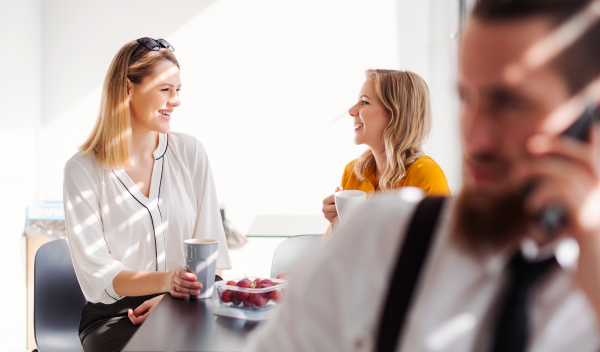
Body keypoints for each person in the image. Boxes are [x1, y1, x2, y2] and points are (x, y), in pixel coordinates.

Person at [245, 0, 600, 351]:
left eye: (507, 102)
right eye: (465, 97)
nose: (472, 137)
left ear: (589, 121)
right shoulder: (383, 234)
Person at [63, 38, 231, 352]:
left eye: (178, 90)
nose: (176, 100)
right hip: (117, 316)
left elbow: (212, 260)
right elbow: (100, 274)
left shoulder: (190, 152)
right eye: (165, 89)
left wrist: (174, 298)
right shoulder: (82, 170)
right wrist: (166, 281)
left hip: (189, 302)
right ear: (128, 88)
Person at [322, 70, 450, 236]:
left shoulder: (426, 175)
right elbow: (336, 256)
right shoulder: (353, 172)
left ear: (396, 114)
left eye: (364, 102)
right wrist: (338, 224)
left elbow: (430, 255)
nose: (352, 111)